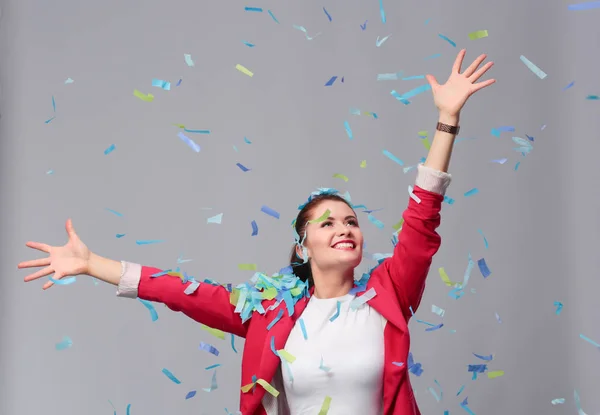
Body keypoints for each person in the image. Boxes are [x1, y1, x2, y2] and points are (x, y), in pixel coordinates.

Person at [18, 49, 495, 415]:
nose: (344, 228)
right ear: (301, 246)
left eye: (351, 220)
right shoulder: (266, 311)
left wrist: (446, 120)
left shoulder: (390, 293)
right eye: (326, 223)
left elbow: (421, 218)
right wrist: (90, 263)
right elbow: (180, 292)